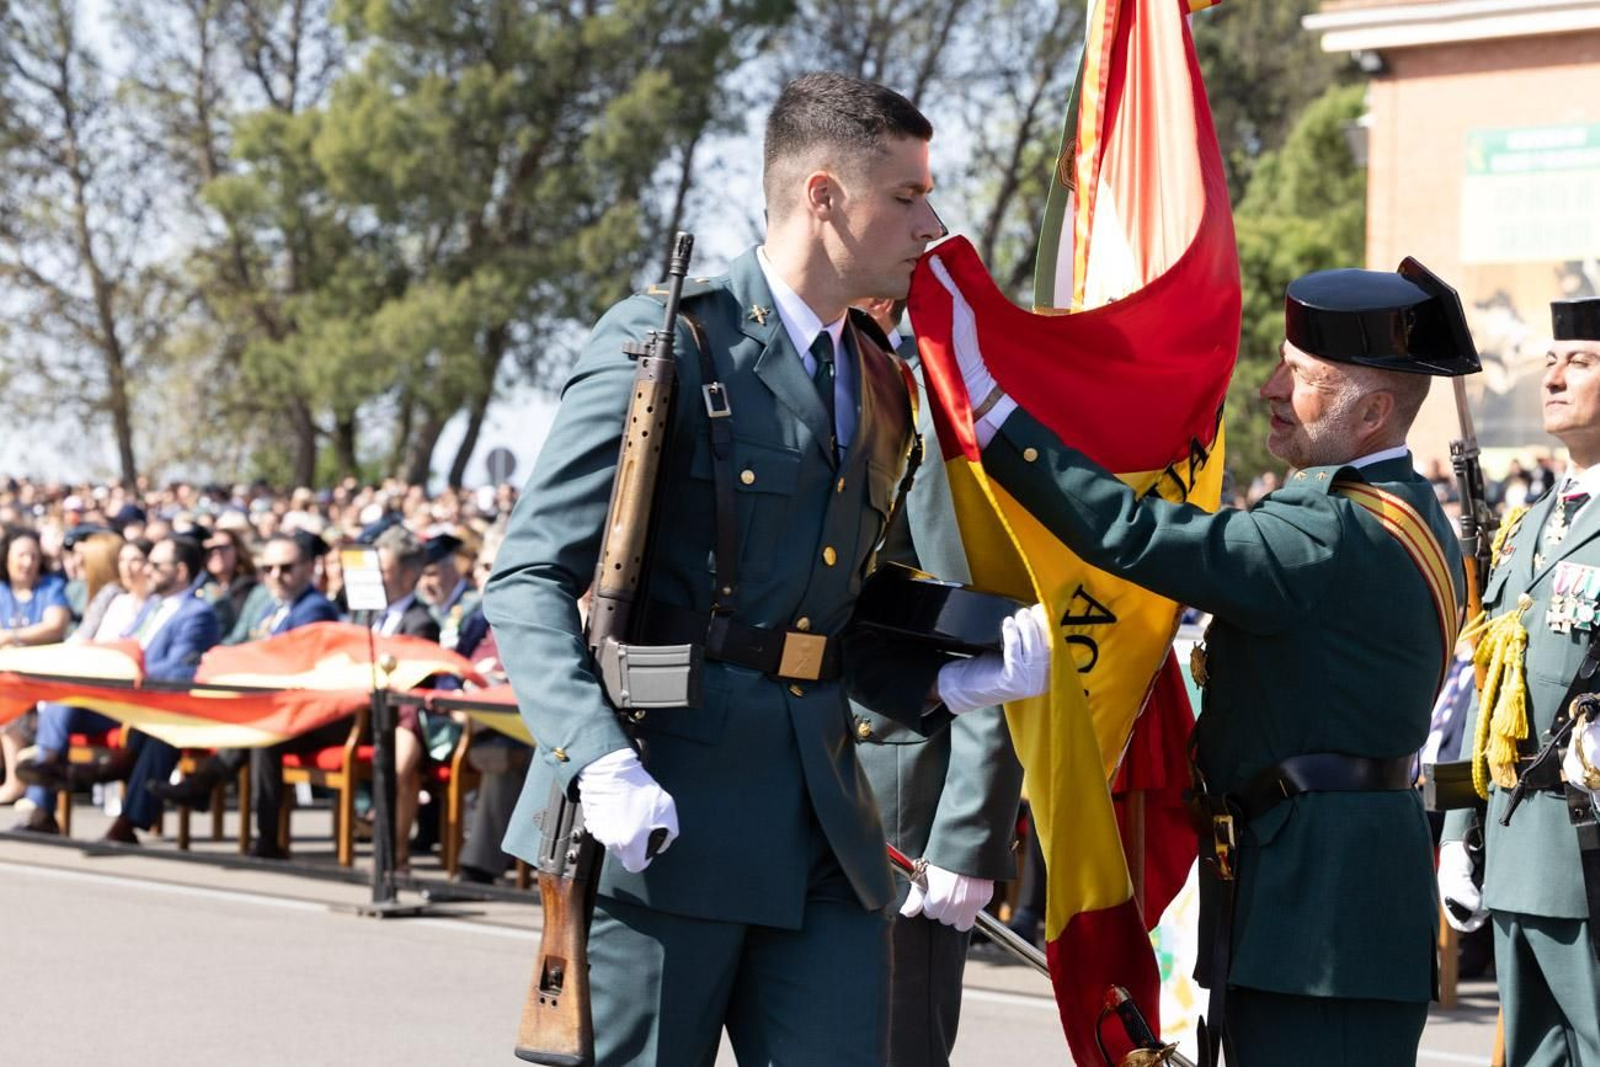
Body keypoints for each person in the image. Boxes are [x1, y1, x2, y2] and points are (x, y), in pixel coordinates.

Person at [485, 73, 1049, 1064]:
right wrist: (596, 754)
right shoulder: (669, 342)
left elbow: (835, 608)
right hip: (666, 804)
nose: (932, 224)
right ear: (822, 195)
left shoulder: (877, 377)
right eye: (906, 196)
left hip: (823, 818)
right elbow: (528, 575)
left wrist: (950, 669)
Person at [943, 260, 1477, 1065]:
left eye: (1298, 376)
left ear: (1370, 412)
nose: (1266, 388)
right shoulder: (1402, 508)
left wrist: (992, 414)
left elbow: (1135, 534)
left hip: (1318, 923)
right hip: (1324, 900)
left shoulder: (1329, 530)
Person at [850, 298, 1024, 1065]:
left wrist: (965, 835)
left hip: (900, 807)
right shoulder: (817, 391)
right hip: (800, 782)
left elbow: (983, 635)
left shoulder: (928, 410)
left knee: (894, 1045)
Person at [1441, 294, 1600, 1065]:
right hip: (1515, 844)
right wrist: (1457, 831)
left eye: (1582, 362)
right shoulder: (1527, 525)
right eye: (1551, 363)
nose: (1557, 377)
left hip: (1590, 849)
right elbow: (1489, 683)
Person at [150, 531, 341, 857]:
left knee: (264, 735)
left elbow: (285, 660)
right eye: (268, 569)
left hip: (316, 714)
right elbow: (240, 643)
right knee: (259, 727)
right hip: (272, 705)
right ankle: (208, 787)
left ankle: (262, 834)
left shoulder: (315, 609)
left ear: (309, 568)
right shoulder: (269, 607)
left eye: (286, 568)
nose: (276, 576)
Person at [16, 535, 220, 840]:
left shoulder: (197, 614)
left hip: (154, 704)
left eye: (155, 564)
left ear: (180, 572)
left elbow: (181, 670)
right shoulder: (152, 607)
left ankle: (125, 821)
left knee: (156, 731)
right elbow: (123, 645)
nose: (147, 570)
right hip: (119, 699)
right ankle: (47, 788)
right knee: (63, 701)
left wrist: (130, 674)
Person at [0, 528, 73, 806]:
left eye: (33, 556)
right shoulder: (2, 591)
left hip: (43, 675)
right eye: (21, 555)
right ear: (7, 558)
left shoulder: (51, 587)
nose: (28, 562)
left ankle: (17, 783)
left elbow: (55, 625)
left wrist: (11, 636)